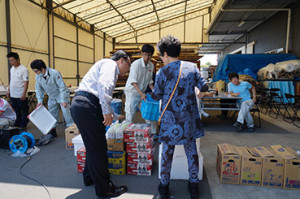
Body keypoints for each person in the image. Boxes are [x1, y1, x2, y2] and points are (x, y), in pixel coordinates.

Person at [151, 35, 208, 199]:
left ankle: (164, 188)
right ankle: (194, 187)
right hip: (188, 120)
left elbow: (156, 96)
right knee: (192, 153)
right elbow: (204, 86)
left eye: (161, 55)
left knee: (167, 154)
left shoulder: (163, 71)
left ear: (166, 54)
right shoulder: (192, 67)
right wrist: (199, 93)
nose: (161, 59)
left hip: (169, 122)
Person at [70, 50, 130, 198]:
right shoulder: (110, 65)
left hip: (80, 105)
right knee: (99, 147)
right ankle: (104, 189)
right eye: (128, 65)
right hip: (88, 106)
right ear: (121, 60)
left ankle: (89, 177)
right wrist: (106, 112)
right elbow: (104, 87)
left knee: (92, 145)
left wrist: (115, 115)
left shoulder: (104, 65)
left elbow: (99, 94)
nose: (128, 70)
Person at [30, 59, 74, 138]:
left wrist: (64, 100)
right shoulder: (38, 76)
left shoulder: (55, 73)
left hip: (61, 95)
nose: (35, 73)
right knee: (52, 113)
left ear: (42, 69)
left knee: (66, 112)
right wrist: (40, 100)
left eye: (36, 71)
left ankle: (71, 131)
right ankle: (53, 131)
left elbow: (62, 87)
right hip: (52, 96)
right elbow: (38, 89)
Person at [124, 44, 157, 133]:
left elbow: (150, 81)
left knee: (148, 115)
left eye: (149, 55)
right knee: (130, 115)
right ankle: (127, 137)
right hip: (132, 92)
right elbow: (133, 81)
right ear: (142, 53)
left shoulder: (151, 65)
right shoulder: (136, 64)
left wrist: (154, 91)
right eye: (145, 54)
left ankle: (152, 135)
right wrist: (141, 93)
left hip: (142, 93)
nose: (147, 57)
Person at [6, 52, 29, 130]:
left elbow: (26, 82)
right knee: (16, 110)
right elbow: (11, 81)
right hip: (13, 94)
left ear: (18, 60)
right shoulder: (12, 69)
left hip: (20, 94)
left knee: (24, 110)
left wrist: (24, 93)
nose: (11, 62)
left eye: (12, 60)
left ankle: (23, 124)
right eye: (10, 61)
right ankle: (17, 123)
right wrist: (8, 90)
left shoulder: (24, 69)